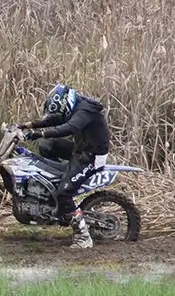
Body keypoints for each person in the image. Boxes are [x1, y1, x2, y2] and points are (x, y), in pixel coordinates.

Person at [17, 83, 111, 250]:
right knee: (47, 146)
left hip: (91, 157)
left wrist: (41, 133)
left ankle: (83, 238)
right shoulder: (76, 106)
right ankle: (58, 180)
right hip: (81, 150)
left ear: (65, 102)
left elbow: (70, 127)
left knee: (64, 193)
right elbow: (58, 118)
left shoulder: (85, 110)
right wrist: (28, 125)